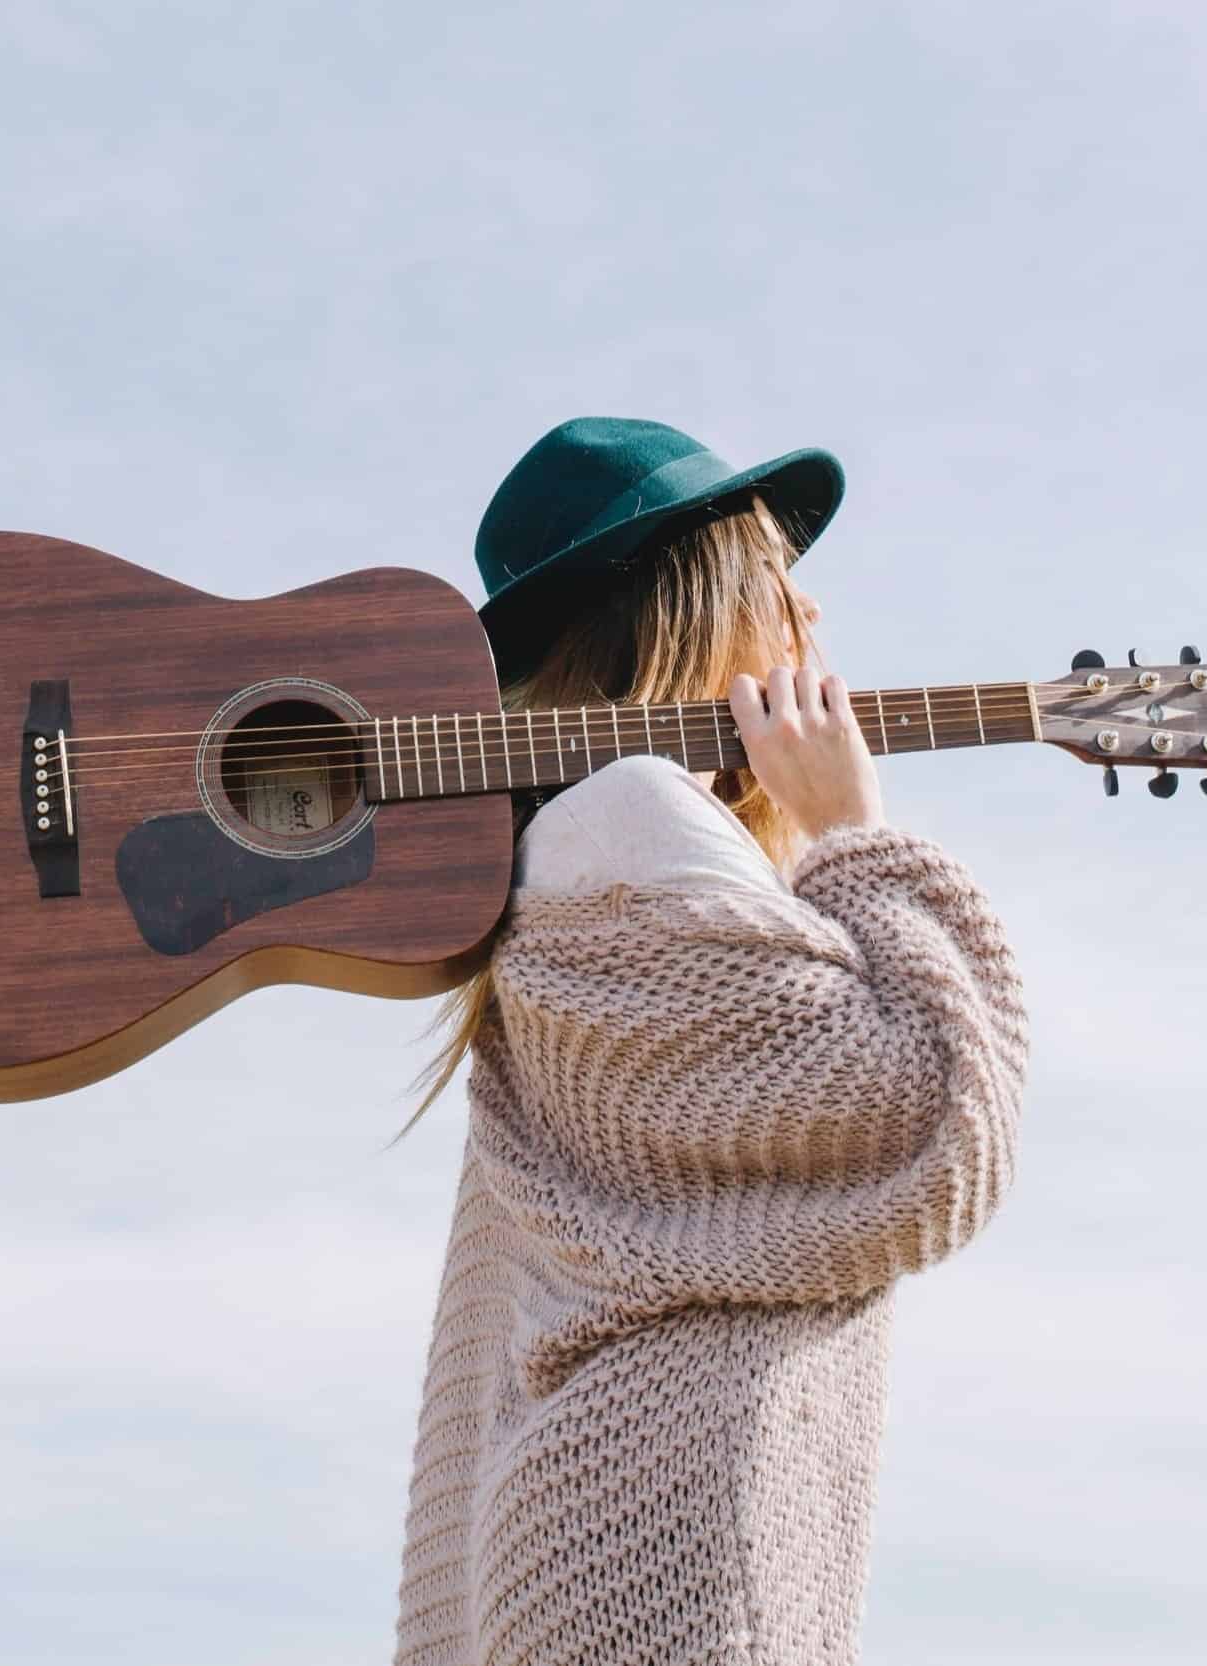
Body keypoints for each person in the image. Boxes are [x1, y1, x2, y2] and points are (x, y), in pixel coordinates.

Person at [390, 418, 1031, 1666]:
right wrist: (853, 831)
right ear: (703, 604)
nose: (810, 612)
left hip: (592, 1530)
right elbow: (927, 1118)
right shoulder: (634, 818)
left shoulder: (558, 866)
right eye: (778, 577)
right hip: (665, 1548)